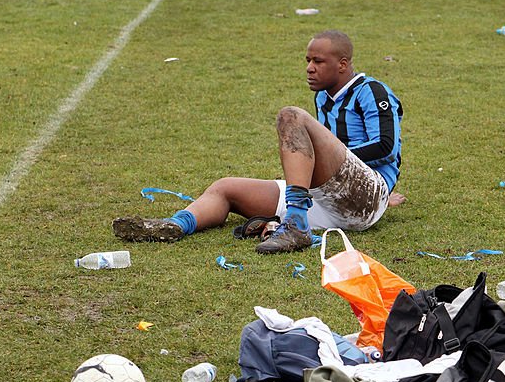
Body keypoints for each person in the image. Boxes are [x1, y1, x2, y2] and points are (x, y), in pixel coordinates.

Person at [112, 30, 404, 255]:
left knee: (291, 116)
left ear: (342, 65)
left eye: (318, 61)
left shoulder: (372, 91)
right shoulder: (323, 96)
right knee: (226, 187)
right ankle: (174, 225)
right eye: (307, 61)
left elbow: (387, 147)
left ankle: (296, 224)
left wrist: (378, 194)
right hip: (328, 198)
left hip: (366, 192)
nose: (310, 68)